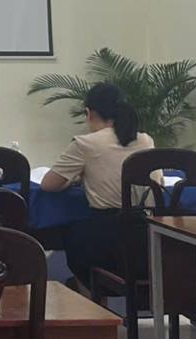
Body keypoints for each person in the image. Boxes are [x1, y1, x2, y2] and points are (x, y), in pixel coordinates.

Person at [41, 82, 158, 290]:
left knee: (71, 233)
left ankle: (88, 296)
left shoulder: (85, 143)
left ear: (89, 113)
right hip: (147, 235)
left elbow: (49, 185)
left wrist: (75, 178)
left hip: (107, 238)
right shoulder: (145, 140)